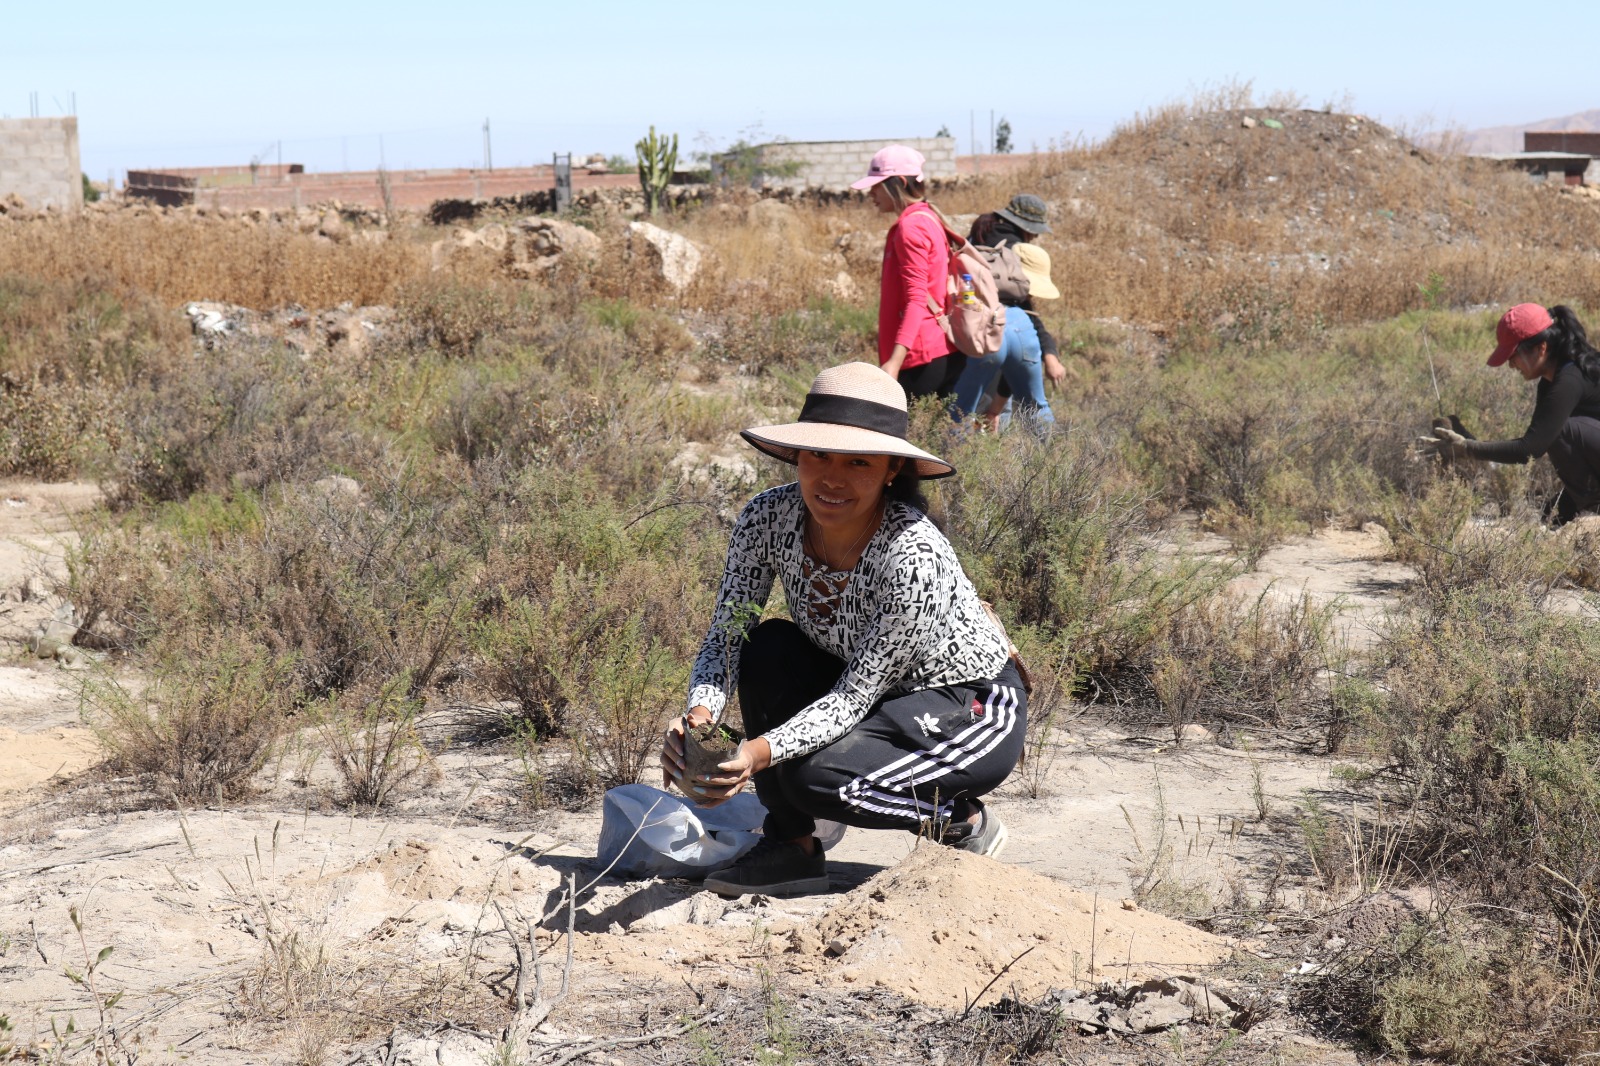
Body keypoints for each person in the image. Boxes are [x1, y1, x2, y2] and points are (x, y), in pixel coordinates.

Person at [661, 362, 1028, 897]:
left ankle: (960, 820)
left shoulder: (911, 555)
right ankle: (792, 847)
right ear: (797, 457)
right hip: (866, 691)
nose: (831, 478)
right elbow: (726, 635)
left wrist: (756, 754)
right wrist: (699, 721)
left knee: (814, 780)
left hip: (967, 704)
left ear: (890, 472)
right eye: (818, 456)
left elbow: (855, 697)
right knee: (764, 646)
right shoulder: (767, 517)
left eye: (858, 461)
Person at [1424, 303, 1600, 525]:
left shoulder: (1570, 379)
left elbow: (1531, 448)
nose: (1510, 365)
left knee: (1562, 431)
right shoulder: (1551, 382)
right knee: (1551, 517)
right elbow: (1533, 443)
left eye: (1513, 356)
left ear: (1541, 348)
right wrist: (1472, 445)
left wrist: (1467, 448)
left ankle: (1594, 512)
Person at [851, 145, 965, 401]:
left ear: (899, 183)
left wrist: (894, 362)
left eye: (877, 185)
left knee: (895, 438)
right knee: (940, 438)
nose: (871, 192)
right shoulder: (929, 217)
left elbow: (916, 300)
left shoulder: (910, 227)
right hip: (943, 349)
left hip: (920, 356)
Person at [952, 240, 1063, 433]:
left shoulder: (980, 291)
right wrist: (996, 409)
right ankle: (1055, 455)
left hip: (986, 332)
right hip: (1023, 334)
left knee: (961, 412)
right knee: (1037, 407)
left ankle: (951, 459)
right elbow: (1014, 370)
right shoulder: (1023, 312)